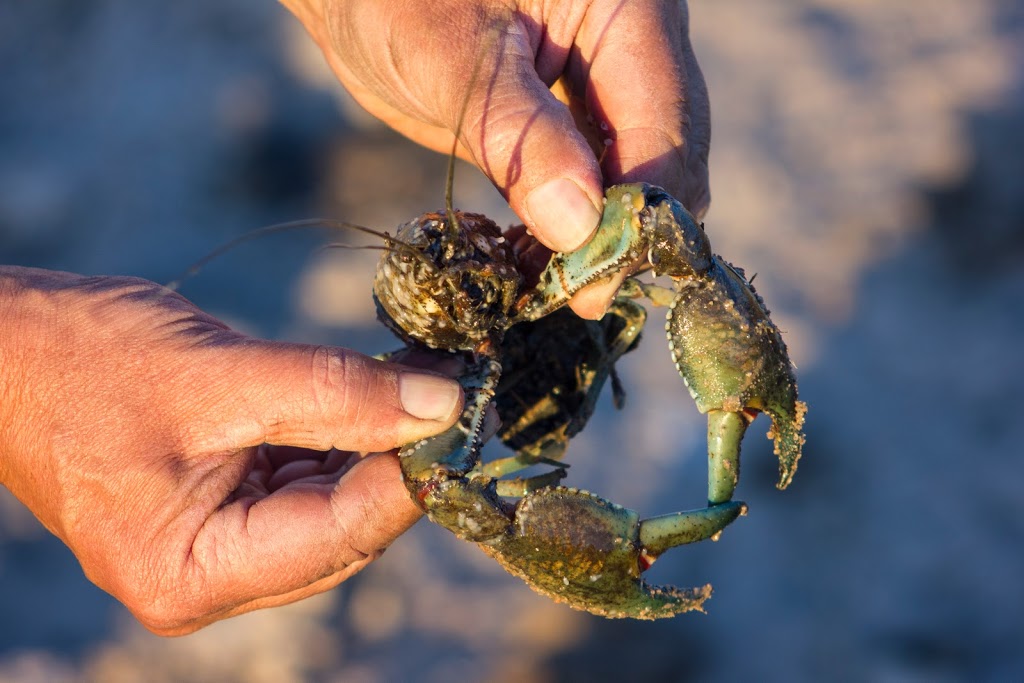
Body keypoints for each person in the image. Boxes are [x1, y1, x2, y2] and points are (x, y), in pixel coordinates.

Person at [0, 0, 709, 636]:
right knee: (465, 492)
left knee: (657, 221)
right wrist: (20, 375)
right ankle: (628, 546)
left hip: (540, 331)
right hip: (477, 382)